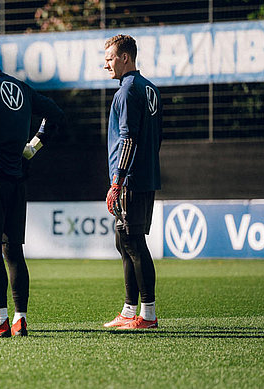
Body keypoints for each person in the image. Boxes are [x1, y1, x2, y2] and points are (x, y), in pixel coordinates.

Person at [0, 37, 66, 338]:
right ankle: (20, 320)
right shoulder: (20, 87)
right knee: (14, 251)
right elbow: (56, 114)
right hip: (16, 179)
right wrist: (33, 145)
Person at [102, 35, 162, 330]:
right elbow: (156, 138)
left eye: (110, 58)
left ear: (125, 57)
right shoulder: (150, 88)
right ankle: (129, 311)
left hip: (130, 180)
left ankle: (147, 314)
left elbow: (128, 139)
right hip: (145, 175)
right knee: (124, 241)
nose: (106, 65)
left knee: (133, 242)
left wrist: (117, 181)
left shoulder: (126, 91)